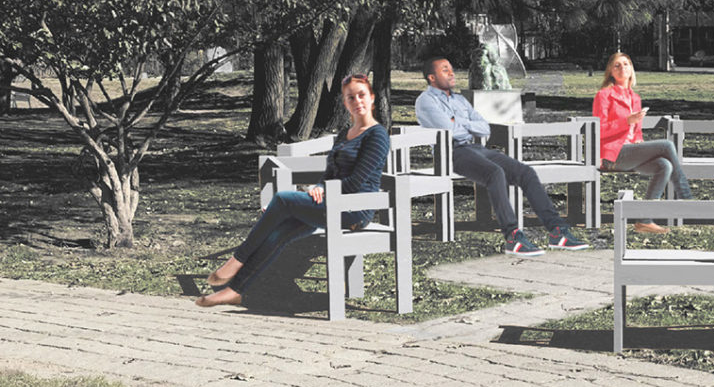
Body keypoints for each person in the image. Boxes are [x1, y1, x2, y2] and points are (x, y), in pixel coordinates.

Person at [198, 73, 391, 308]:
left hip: (355, 211)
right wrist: (319, 187)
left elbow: (356, 182)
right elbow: (330, 173)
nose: (357, 101)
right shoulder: (344, 135)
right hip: (332, 206)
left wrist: (325, 192)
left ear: (371, 98)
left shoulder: (377, 135)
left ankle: (237, 260)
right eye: (351, 97)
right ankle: (234, 291)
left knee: (282, 200)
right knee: (279, 233)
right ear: (345, 103)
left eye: (362, 95)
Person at [415, 54, 587, 256]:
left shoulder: (460, 100)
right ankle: (513, 236)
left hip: (477, 149)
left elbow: (484, 128)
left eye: (451, 68)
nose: (452, 72)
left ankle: (558, 231)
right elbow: (449, 131)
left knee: (526, 172)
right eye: (445, 69)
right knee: (495, 173)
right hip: (450, 153)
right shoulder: (425, 101)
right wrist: (467, 127)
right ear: (431, 78)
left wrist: (462, 124)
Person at [592, 51, 693, 235]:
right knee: (667, 146)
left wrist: (638, 139)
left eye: (626, 64)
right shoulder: (604, 96)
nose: (622, 67)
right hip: (612, 155)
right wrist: (626, 121)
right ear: (611, 72)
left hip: (630, 153)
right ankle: (686, 197)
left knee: (664, 165)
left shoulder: (635, 98)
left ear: (631, 69)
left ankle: (644, 221)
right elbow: (599, 131)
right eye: (617, 65)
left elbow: (636, 133)